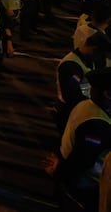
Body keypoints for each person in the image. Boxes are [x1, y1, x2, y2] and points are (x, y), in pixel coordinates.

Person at [46, 68, 111, 211]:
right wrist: (58, 172)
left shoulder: (87, 105)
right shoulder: (96, 125)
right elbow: (81, 161)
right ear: (108, 94)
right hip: (86, 189)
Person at [56, 32, 110, 133]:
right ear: (94, 49)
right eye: (101, 54)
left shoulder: (88, 60)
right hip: (70, 112)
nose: (101, 57)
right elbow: (73, 96)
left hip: (83, 108)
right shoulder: (71, 65)